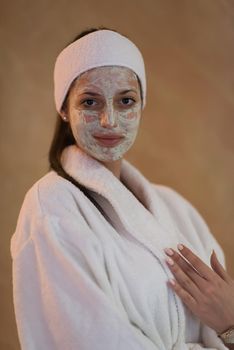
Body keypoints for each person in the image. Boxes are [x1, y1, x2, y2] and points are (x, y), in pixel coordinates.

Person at [10, 27, 234, 350]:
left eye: (126, 100)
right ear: (63, 108)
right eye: (90, 102)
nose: (108, 120)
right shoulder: (50, 206)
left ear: (142, 104)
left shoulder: (178, 209)